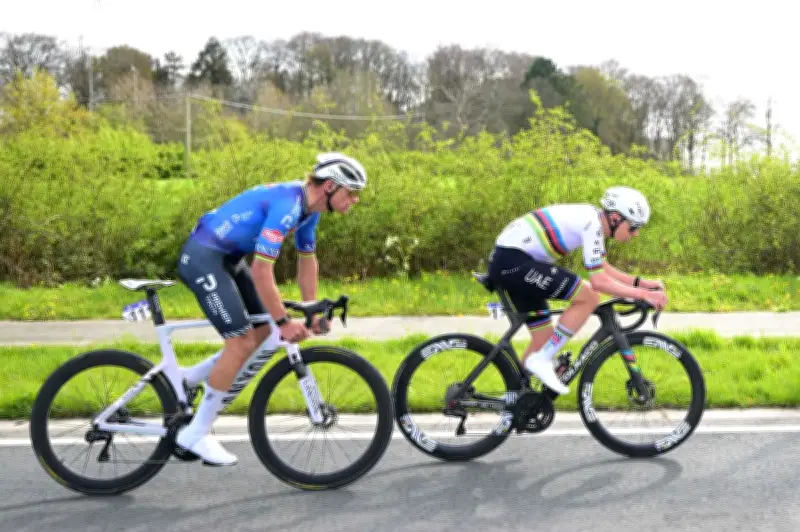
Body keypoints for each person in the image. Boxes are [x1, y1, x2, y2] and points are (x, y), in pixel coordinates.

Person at [173, 152, 367, 466]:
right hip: (204, 256)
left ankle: (188, 379)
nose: (354, 200)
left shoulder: (310, 210)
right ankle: (195, 433)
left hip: (229, 257)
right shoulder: (288, 207)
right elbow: (263, 271)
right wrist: (285, 321)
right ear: (330, 186)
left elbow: (307, 261)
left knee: (263, 332)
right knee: (241, 341)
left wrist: (311, 311)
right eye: (352, 192)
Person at [487, 186, 668, 395]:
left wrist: (640, 284)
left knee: (542, 340)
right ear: (617, 218)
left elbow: (602, 267)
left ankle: (515, 403)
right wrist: (645, 295)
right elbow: (599, 281)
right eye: (634, 227)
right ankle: (542, 360)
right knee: (589, 296)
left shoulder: (594, 219)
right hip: (514, 262)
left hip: (513, 261)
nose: (635, 234)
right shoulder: (592, 223)